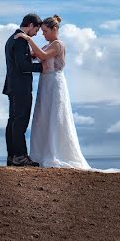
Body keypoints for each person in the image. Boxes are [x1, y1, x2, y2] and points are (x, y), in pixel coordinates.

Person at [14, 15, 91, 170]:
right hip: (45, 84)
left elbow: (42, 56)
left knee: (55, 116)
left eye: (45, 31)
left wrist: (28, 39)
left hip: (55, 84)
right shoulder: (48, 45)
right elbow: (35, 56)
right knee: (43, 116)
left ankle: (56, 153)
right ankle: (41, 153)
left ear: (54, 29)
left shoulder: (58, 45)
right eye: (41, 31)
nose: (43, 34)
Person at [2, 13, 43, 167]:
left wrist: (29, 57)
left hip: (12, 85)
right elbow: (22, 66)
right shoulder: (20, 40)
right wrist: (42, 67)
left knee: (13, 120)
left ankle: (12, 156)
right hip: (20, 87)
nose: (36, 33)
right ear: (31, 25)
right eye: (37, 30)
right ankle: (20, 156)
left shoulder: (12, 38)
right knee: (20, 120)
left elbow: (18, 61)